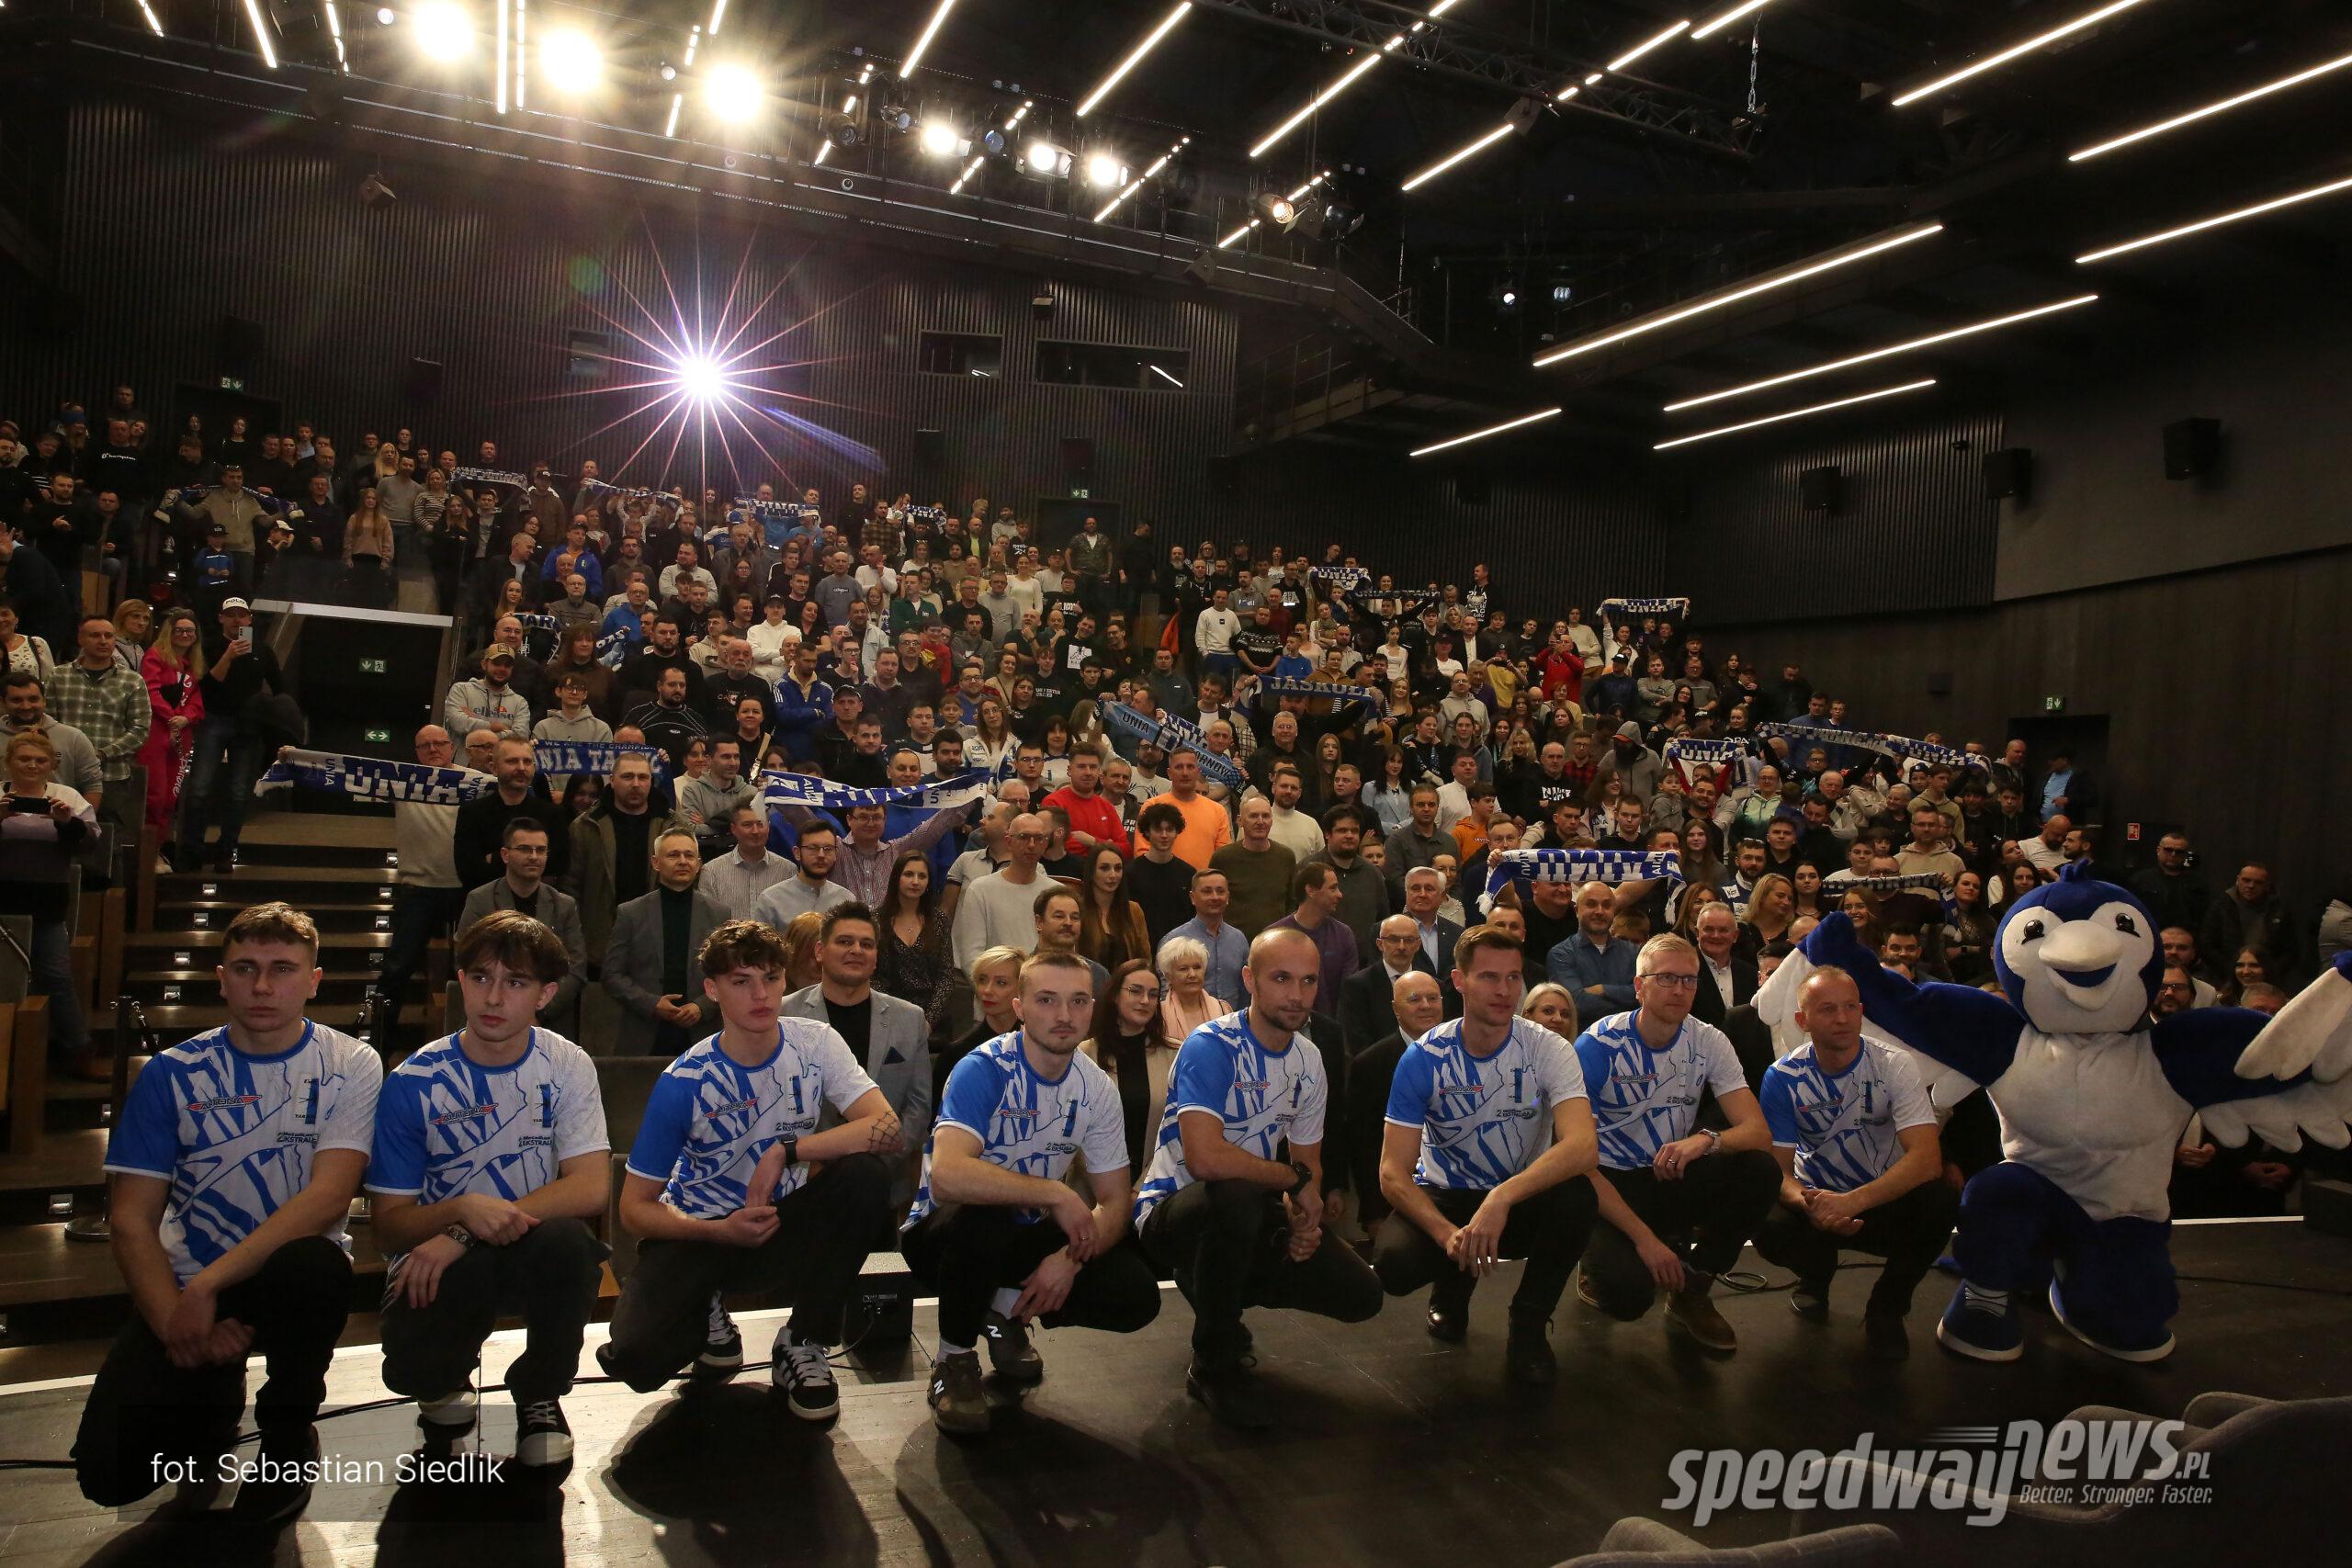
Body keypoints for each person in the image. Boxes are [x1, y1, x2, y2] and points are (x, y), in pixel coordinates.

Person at [72, 904, 379, 1519]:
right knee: (109, 1473)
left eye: (282, 969)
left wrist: (210, 1285)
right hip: (187, 1286)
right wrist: (178, 1325)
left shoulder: (351, 1064)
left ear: (313, 981)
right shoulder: (171, 1073)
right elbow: (131, 1219)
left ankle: (288, 1435)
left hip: (277, 1279)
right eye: (245, 968)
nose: (262, 985)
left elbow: (328, 1197)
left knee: (317, 1265)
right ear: (221, 978)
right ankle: (212, 1400)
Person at [601, 919, 899, 1421]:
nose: (761, 995)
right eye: (742, 981)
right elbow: (633, 1209)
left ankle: (802, 1341)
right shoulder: (685, 1080)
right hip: (701, 1231)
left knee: (865, 1176)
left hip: (780, 1221)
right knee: (635, 1360)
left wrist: (788, 1150)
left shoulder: (815, 1043)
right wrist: (719, 1231)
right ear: (713, 990)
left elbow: (888, 1128)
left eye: (771, 978)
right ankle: (709, 1315)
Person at [369, 912, 608, 1464]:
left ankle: (540, 1393)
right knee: (414, 1372)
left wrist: (467, 1228)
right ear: (461, 981)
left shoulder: (567, 1064)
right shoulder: (413, 1080)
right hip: (439, 1262)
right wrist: (460, 1211)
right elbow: (388, 1226)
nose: (494, 998)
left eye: (515, 982)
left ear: (545, 994)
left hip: (524, 1246)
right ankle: (447, 1376)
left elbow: (592, 1187)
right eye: (480, 978)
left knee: (570, 1245)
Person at [1133, 927, 1384, 1428]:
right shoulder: (1212, 1044)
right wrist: (1290, 1182)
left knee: (1361, 1295)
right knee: (1237, 1193)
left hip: (1247, 1207)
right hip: (1172, 1210)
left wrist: (1303, 1220)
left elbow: (1307, 1162)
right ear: (1250, 980)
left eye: (1309, 981)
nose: (1297, 995)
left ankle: (1214, 1292)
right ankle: (1213, 1360)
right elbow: (1206, 1160)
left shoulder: (1309, 1059)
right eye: (1281, 979)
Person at [906, 952, 1163, 1433]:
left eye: (1077, 1001)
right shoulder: (984, 1067)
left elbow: (1115, 1201)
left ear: (1092, 1009)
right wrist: (1054, 1194)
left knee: (1135, 1294)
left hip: (1023, 1233)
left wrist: (1068, 1261)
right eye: (1047, 1000)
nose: (1064, 1015)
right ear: (1020, 1007)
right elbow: (948, 1176)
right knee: (988, 1213)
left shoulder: (1095, 1087)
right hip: (943, 1236)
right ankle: (954, 1360)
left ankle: (1004, 1308)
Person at [1373, 927, 1600, 1385]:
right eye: (1489, 977)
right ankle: (1453, 1283)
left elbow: (1583, 1146)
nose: (1504, 990)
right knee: (1394, 1267)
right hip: (1447, 1195)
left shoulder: (1548, 1048)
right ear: (1459, 981)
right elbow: (1392, 1172)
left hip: (1516, 1198)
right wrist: (1447, 1235)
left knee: (1578, 1198)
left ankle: (1529, 1322)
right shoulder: (1424, 1056)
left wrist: (1501, 1198)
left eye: (1513, 978)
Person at [1575, 934, 1780, 1352]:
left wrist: (1705, 1141)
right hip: (1607, 1182)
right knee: (1628, 1299)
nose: (1680, 989)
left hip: (1668, 1170)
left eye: (1689, 980)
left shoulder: (1708, 1040)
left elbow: (1757, 1132)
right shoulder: (1599, 1045)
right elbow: (1577, 1160)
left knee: (1761, 1170)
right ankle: (1600, 1256)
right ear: (1639, 986)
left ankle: (1693, 1288)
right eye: (1666, 978)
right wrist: (1645, 1242)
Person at [1753, 965, 1955, 1361]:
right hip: (1816, 1200)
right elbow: (1778, 1171)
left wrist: (1851, 1203)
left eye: (1850, 1007)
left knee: (1941, 1199)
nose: (1842, 1018)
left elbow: (1927, 1160)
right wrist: (1811, 1206)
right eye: (1827, 1009)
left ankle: (1887, 1309)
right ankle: (1815, 1274)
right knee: (1765, 1222)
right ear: (1803, 1021)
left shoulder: (1894, 1064)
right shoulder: (1782, 1076)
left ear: (1861, 1012)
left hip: (1879, 1198)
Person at [778, 903, 934, 1219]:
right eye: (845, 941)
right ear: (820, 951)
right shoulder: (783, 1014)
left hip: (884, 1187)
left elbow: (918, 1107)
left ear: (876, 957)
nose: (856, 950)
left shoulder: (910, 1018)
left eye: (867, 944)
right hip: (802, 1185)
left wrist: (874, 1164)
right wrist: (817, 1165)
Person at [0, 728, 96, 1067]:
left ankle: (78, 1051)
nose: (32, 765)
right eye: (24, 759)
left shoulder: (66, 796)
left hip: (47, 903)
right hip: (2, 898)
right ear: (9, 762)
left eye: (40, 760)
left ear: (51, 765)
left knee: (57, 977)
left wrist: (66, 823)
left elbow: (90, 844)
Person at [177, 598, 286, 872]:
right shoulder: (208, 646)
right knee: (199, 789)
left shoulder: (262, 649)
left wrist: (268, 713)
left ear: (250, 619)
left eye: (242, 615)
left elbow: (280, 688)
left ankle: (226, 852)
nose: (237, 620)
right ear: (221, 618)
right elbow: (205, 688)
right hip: (213, 719)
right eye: (231, 615)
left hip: (248, 726)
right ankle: (192, 851)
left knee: (238, 793)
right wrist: (228, 656)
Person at [603, 828, 728, 1055]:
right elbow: (612, 974)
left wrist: (702, 1006)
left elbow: (729, 974)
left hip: (702, 1033)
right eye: (673, 855)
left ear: (699, 864)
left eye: (689, 855)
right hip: (644, 1034)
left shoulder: (719, 914)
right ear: (656, 863)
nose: (683, 861)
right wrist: (651, 1004)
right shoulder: (630, 913)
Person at [950, 811, 1054, 966]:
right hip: (990, 978)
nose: (1031, 845)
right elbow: (971, 955)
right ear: (1009, 841)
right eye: (1024, 837)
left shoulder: (1055, 892)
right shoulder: (980, 889)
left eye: (1039, 838)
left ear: (1045, 844)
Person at [1270, 860, 1360, 1010]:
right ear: (1310, 890)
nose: (1340, 895)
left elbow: (1349, 993)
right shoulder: (1274, 937)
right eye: (1332, 888)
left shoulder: (1343, 935)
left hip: (1332, 1022)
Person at [701, 800, 794, 920]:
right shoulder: (712, 872)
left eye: (761, 824)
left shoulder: (788, 871)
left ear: (769, 827)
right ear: (733, 829)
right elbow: (707, 922)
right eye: (747, 825)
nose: (755, 831)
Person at [752, 818, 856, 926]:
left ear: (835, 854)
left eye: (828, 849)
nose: (821, 855)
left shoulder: (846, 901)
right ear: (797, 853)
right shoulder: (770, 900)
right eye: (813, 848)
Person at [1124, 799, 1198, 947]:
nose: (1164, 835)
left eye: (1169, 829)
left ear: (1176, 832)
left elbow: (1193, 918)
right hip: (1143, 949)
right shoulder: (1131, 873)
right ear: (1147, 832)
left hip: (1179, 950)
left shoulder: (1188, 873)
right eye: (1158, 829)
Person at [1077, 840, 1152, 973]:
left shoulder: (1133, 910)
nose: (1113, 875)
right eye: (1104, 868)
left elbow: (1145, 959)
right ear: (1091, 872)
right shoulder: (1077, 910)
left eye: (1118, 868)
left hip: (1128, 984)